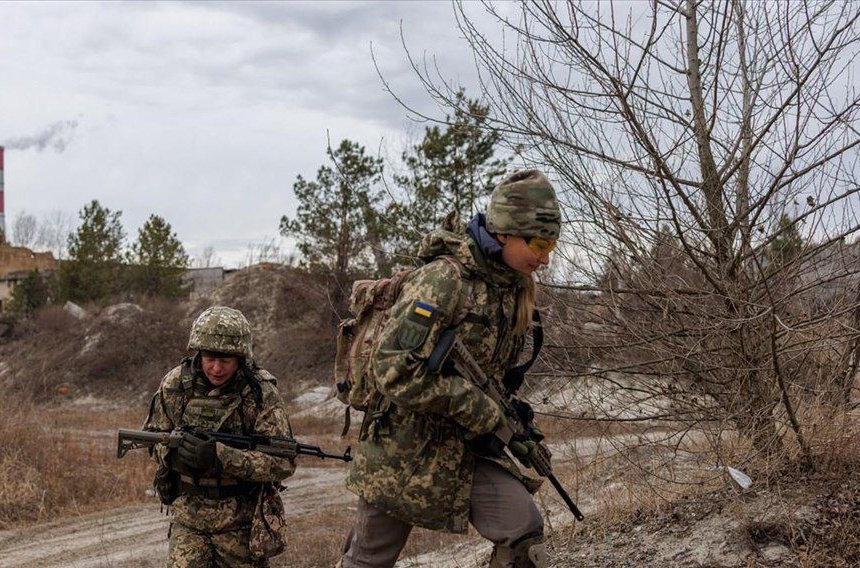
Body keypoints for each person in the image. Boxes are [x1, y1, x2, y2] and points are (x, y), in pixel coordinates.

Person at [340, 170, 562, 568]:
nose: (545, 257)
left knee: (525, 539)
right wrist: (477, 408)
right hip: (402, 450)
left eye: (552, 246)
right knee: (367, 561)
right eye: (540, 244)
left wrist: (516, 423)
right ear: (506, 233)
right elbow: (392, 370)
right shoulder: (444, 280)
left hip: (466, 450)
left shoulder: (512, 288)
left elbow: (488, 377)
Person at [143, 306, 295, 568]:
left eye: (225, 360)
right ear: (199, 353)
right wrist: (173, 456)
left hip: (241, 523)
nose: (216, 368)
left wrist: (221, 456)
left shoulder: (260, 392)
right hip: (188, 520)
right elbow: (153, 437)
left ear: (240, 358)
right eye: (210, 358)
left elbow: (282, 463)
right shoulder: (176, 384)